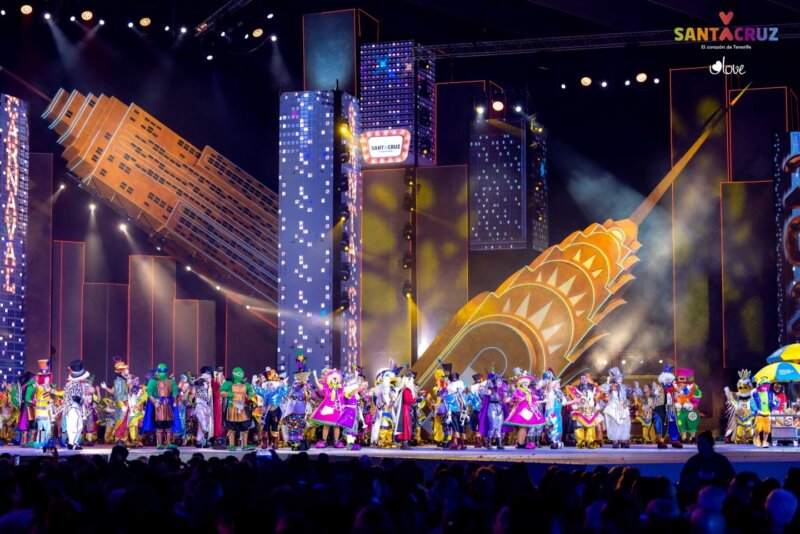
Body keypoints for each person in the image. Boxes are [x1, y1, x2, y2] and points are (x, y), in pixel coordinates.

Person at [678, 431, 735, 501]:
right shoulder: (693, 462)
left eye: (703, 443)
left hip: (718, 499)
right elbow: (684, 480)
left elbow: (731, 479)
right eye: (698, 444)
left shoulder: (721, 461)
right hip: (696, 499)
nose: (700, 446)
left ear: (710, 444)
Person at [504, 373, 545, 449]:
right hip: (522, 410)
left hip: (529, 409)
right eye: (524, 383)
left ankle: (522, 442)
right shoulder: (518, 390)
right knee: (522, 427)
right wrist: (521, 399)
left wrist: (543, 401)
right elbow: (514, 399)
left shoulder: (529, 391)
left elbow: (534, 400)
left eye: (526, 383)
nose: (525, 384)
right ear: (521, 383)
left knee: (525, 427)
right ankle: (519, 442)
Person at [220, 367, 256, 450]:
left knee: (245, 426)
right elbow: (221, 392)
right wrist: (229, 394)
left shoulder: (245, 384)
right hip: (232, 407)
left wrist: (250, 395)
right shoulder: (228, 383)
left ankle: (245, 445)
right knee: (232, 427)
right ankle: (231, 445)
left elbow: (250, 393)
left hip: (242, 407)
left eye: (242, 373)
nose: (242, 375)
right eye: (240, 373)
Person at [145, 362, 179, 449]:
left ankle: (168, 443)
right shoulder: (153, 381)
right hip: (158, 405)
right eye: (161, 372)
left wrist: (175, 401)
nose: (162, 374)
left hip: (168, 404)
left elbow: (175, 391)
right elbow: (149, 393)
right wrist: (154, 402)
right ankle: (159, 444)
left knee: (168, 425)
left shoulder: (170, 381)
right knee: (159, 425)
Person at [310, 368, 345, 448]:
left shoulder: (340, 388)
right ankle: (324, 441)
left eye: (336, 378)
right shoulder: (327, 388)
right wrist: (315, 376)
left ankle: (336, 441)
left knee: (336, 426)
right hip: (328, 408)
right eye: (333, 378)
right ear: (329, 379)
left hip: (336, 409)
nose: (334, 379)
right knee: (326, 425)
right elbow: (319, 386)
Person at [568, 373, 602, 449]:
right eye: (583, 379)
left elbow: (595, 399)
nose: (584, 380)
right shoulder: (576, 389)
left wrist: (596, 405)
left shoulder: (593, 388)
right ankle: (580, 442)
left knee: (591, 426)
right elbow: (573, 399)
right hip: (580, 410)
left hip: (590, 410)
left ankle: (590, 441)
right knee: (579, 426)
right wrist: (574, 406)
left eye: (586, 378)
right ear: (580, 380)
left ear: (588, 379)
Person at [601, 367, 632, 449]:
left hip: (622, 406)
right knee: (614, 424)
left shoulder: (625, 387)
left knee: (625, 423)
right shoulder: (610, 387)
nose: (620, 379)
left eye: (621, 378)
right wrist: (608, 382)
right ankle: (615, 440)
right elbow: (603, 389)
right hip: (613, 406)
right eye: (619, 378)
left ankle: (624, 440)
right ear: (614, 379)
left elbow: (630, 394)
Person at [101, 359, 130, 446]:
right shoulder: (118, 381)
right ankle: (119, 440)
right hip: (121, 404)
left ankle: (121, 440)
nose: (127, 371)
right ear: (121, 371)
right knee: (120, 423)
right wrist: (122, 405)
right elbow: (117, 395)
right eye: (125, 370)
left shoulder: (123, 381)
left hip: (125, 403)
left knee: (124, 423)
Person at [654, 364, 682, 449]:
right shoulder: (659, 386)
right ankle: (661, 441)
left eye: (670, 379)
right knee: (662, 424)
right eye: (667, 378)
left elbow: (678, 393)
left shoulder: (673, 386)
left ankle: (674, 440)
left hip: (671, 407)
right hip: (662, 408)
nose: (669, 380)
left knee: (673, 423)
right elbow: (657, 394)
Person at [63, 360, 90, 450]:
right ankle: (71, 443)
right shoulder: (71, 384)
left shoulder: (78, 384)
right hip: (71, 407)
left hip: (76, 407)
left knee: (79, 426)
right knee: (73, 426)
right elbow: (74, 397)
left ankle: (74, 442)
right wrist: (83, 401)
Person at [723, 369, 755, 444]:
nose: (743, 387)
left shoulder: (752, 396)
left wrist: (754, 411)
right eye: (741, 386)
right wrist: (728, 394)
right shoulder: (737, 396)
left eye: (745, 386)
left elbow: (754, 404)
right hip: (740, 415)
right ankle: (738, 439)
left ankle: (749, 439)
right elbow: (731, 400)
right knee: (739, 429)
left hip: (748, 415)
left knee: (748, 429)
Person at [479, 373, 507, 449]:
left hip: (500, 408)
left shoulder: (502, 390)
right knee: (492, 426)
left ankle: (499, 444)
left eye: (501, 380)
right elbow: (482, 394)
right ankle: (488, 443)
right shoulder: (490, 390)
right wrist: (487, 384)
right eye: (498, 380)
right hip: (492, 408)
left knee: (499, 427)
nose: (500, 382)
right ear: (495, 381)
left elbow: (506, 400)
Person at [675, 368, 702, 443]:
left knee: (692, 421)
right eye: (680, 385)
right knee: (681, 422)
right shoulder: (677, 392)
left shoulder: (694, 391)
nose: (682, 386)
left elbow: (696, 401)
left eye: (684, 384)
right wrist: (677, 404)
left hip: (691, 411)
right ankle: (683, 437)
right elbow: (674, 400)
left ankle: (692, 437)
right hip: (681, 411)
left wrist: (692, 405)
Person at [751, 376, 780, 448]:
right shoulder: (755, 394)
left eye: (767, 385)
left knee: (767, 430)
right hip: (759, 414)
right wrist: (757, 410)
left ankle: (764, 442)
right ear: (760, 385)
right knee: (758, 429)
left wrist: (774, 404)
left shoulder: (770, 394)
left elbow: (777, 402)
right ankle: (756, 437)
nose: (765, 387)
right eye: (764, 385)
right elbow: (752, 403)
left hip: (767, 414)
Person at [193, 366, 214, 448]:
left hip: (206, 406)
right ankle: (207, 439)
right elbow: (196, 387)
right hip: (199, 405)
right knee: (203, 423)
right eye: (208, 374)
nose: (210, 376)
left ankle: (199, 441)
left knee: (204, 424)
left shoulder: (209, 383)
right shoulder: (199, 381)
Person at [126, 377, 147, 447]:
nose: (127, 380)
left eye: (129, 379)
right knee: (133, 425)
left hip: (134, 410)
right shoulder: (128, 389)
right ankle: (135, 441)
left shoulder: (135, 389)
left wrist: (137, 405)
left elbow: (142, 396)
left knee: (133, 425)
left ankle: (135, 441)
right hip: (130, 410)